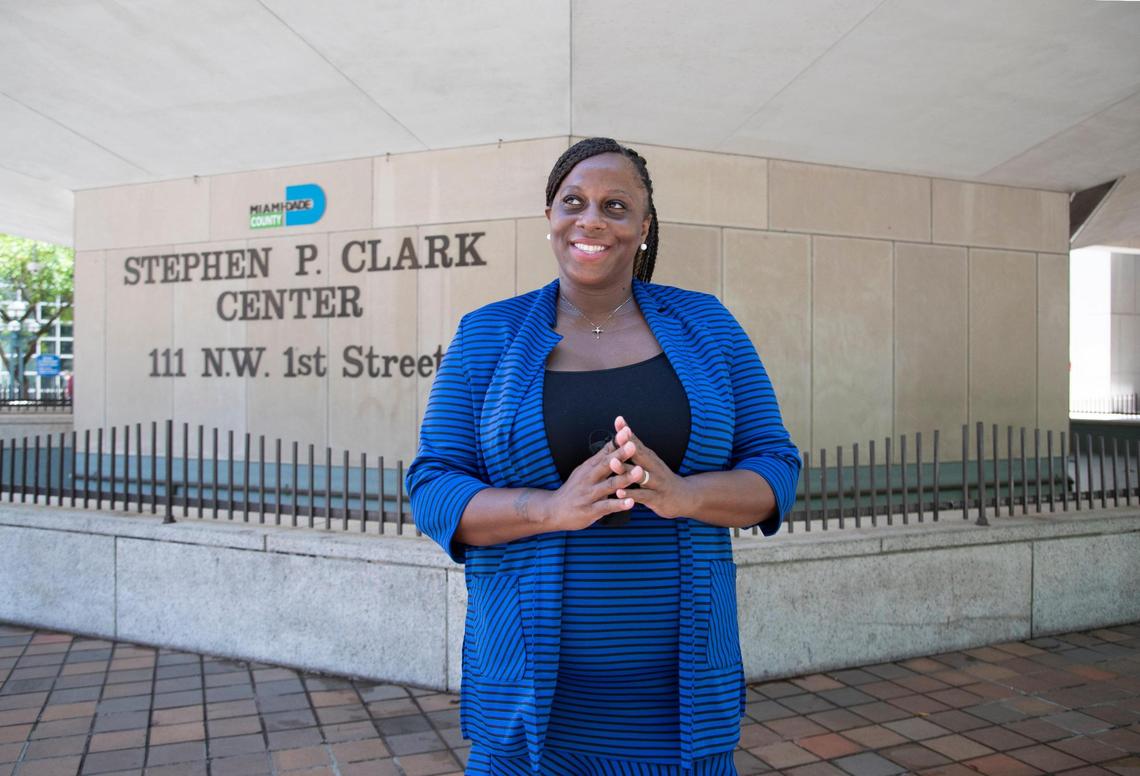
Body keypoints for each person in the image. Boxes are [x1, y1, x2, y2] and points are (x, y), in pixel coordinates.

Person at [407, 137, 802, 775]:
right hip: (529, 694)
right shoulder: (489, 332)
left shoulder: (708, 325)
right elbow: (432, 485)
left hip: (678, 701)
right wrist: (550, 509)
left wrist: (685, 495)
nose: (591, 219)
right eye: (574, 201)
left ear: (644, 228)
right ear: (550, 218)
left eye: (615, 206)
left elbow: (776, 466)